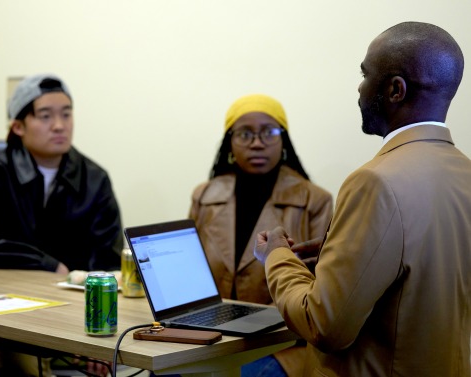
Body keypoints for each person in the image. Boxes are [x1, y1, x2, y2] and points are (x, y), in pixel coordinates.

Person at [254, 21, 471, 377]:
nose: (359, 86)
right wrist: (335, 263)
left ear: (395, 90)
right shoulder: (465, 173)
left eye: (365, 74)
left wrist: (276, 255)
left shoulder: (375, 182)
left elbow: (324, 325)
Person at [0, 73, 123, 377]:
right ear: (18, 126)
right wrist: (47, 264)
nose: (59, 125)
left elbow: (107, 259)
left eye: (66, 114)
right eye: (45, 116)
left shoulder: (94, 178)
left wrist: (95, 333)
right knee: (21, 369)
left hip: (78, 313)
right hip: (11, 312)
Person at [189, 94, 334, 376]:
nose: (257, 142)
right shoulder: (204, 197)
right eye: (245, 134)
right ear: (230, 142)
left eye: (269, 132)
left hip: (283, 341)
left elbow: (321, 288)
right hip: (207, 333)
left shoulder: (315, 201)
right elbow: (190, 271)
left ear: (283, 141)